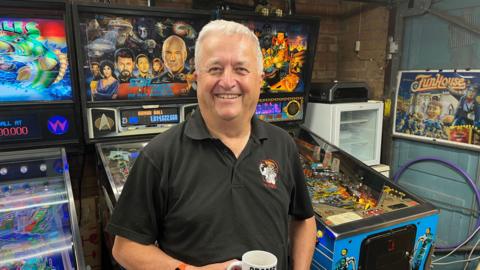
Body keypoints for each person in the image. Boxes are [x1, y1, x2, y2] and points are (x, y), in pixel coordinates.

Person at [107, 19, 317, 269]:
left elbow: (304, 221)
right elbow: (125, 248)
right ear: (196, 77)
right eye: (215, 69)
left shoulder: (283, 144)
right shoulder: (159, 156)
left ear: (260, 80)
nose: (227, 82)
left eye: (241, 69)